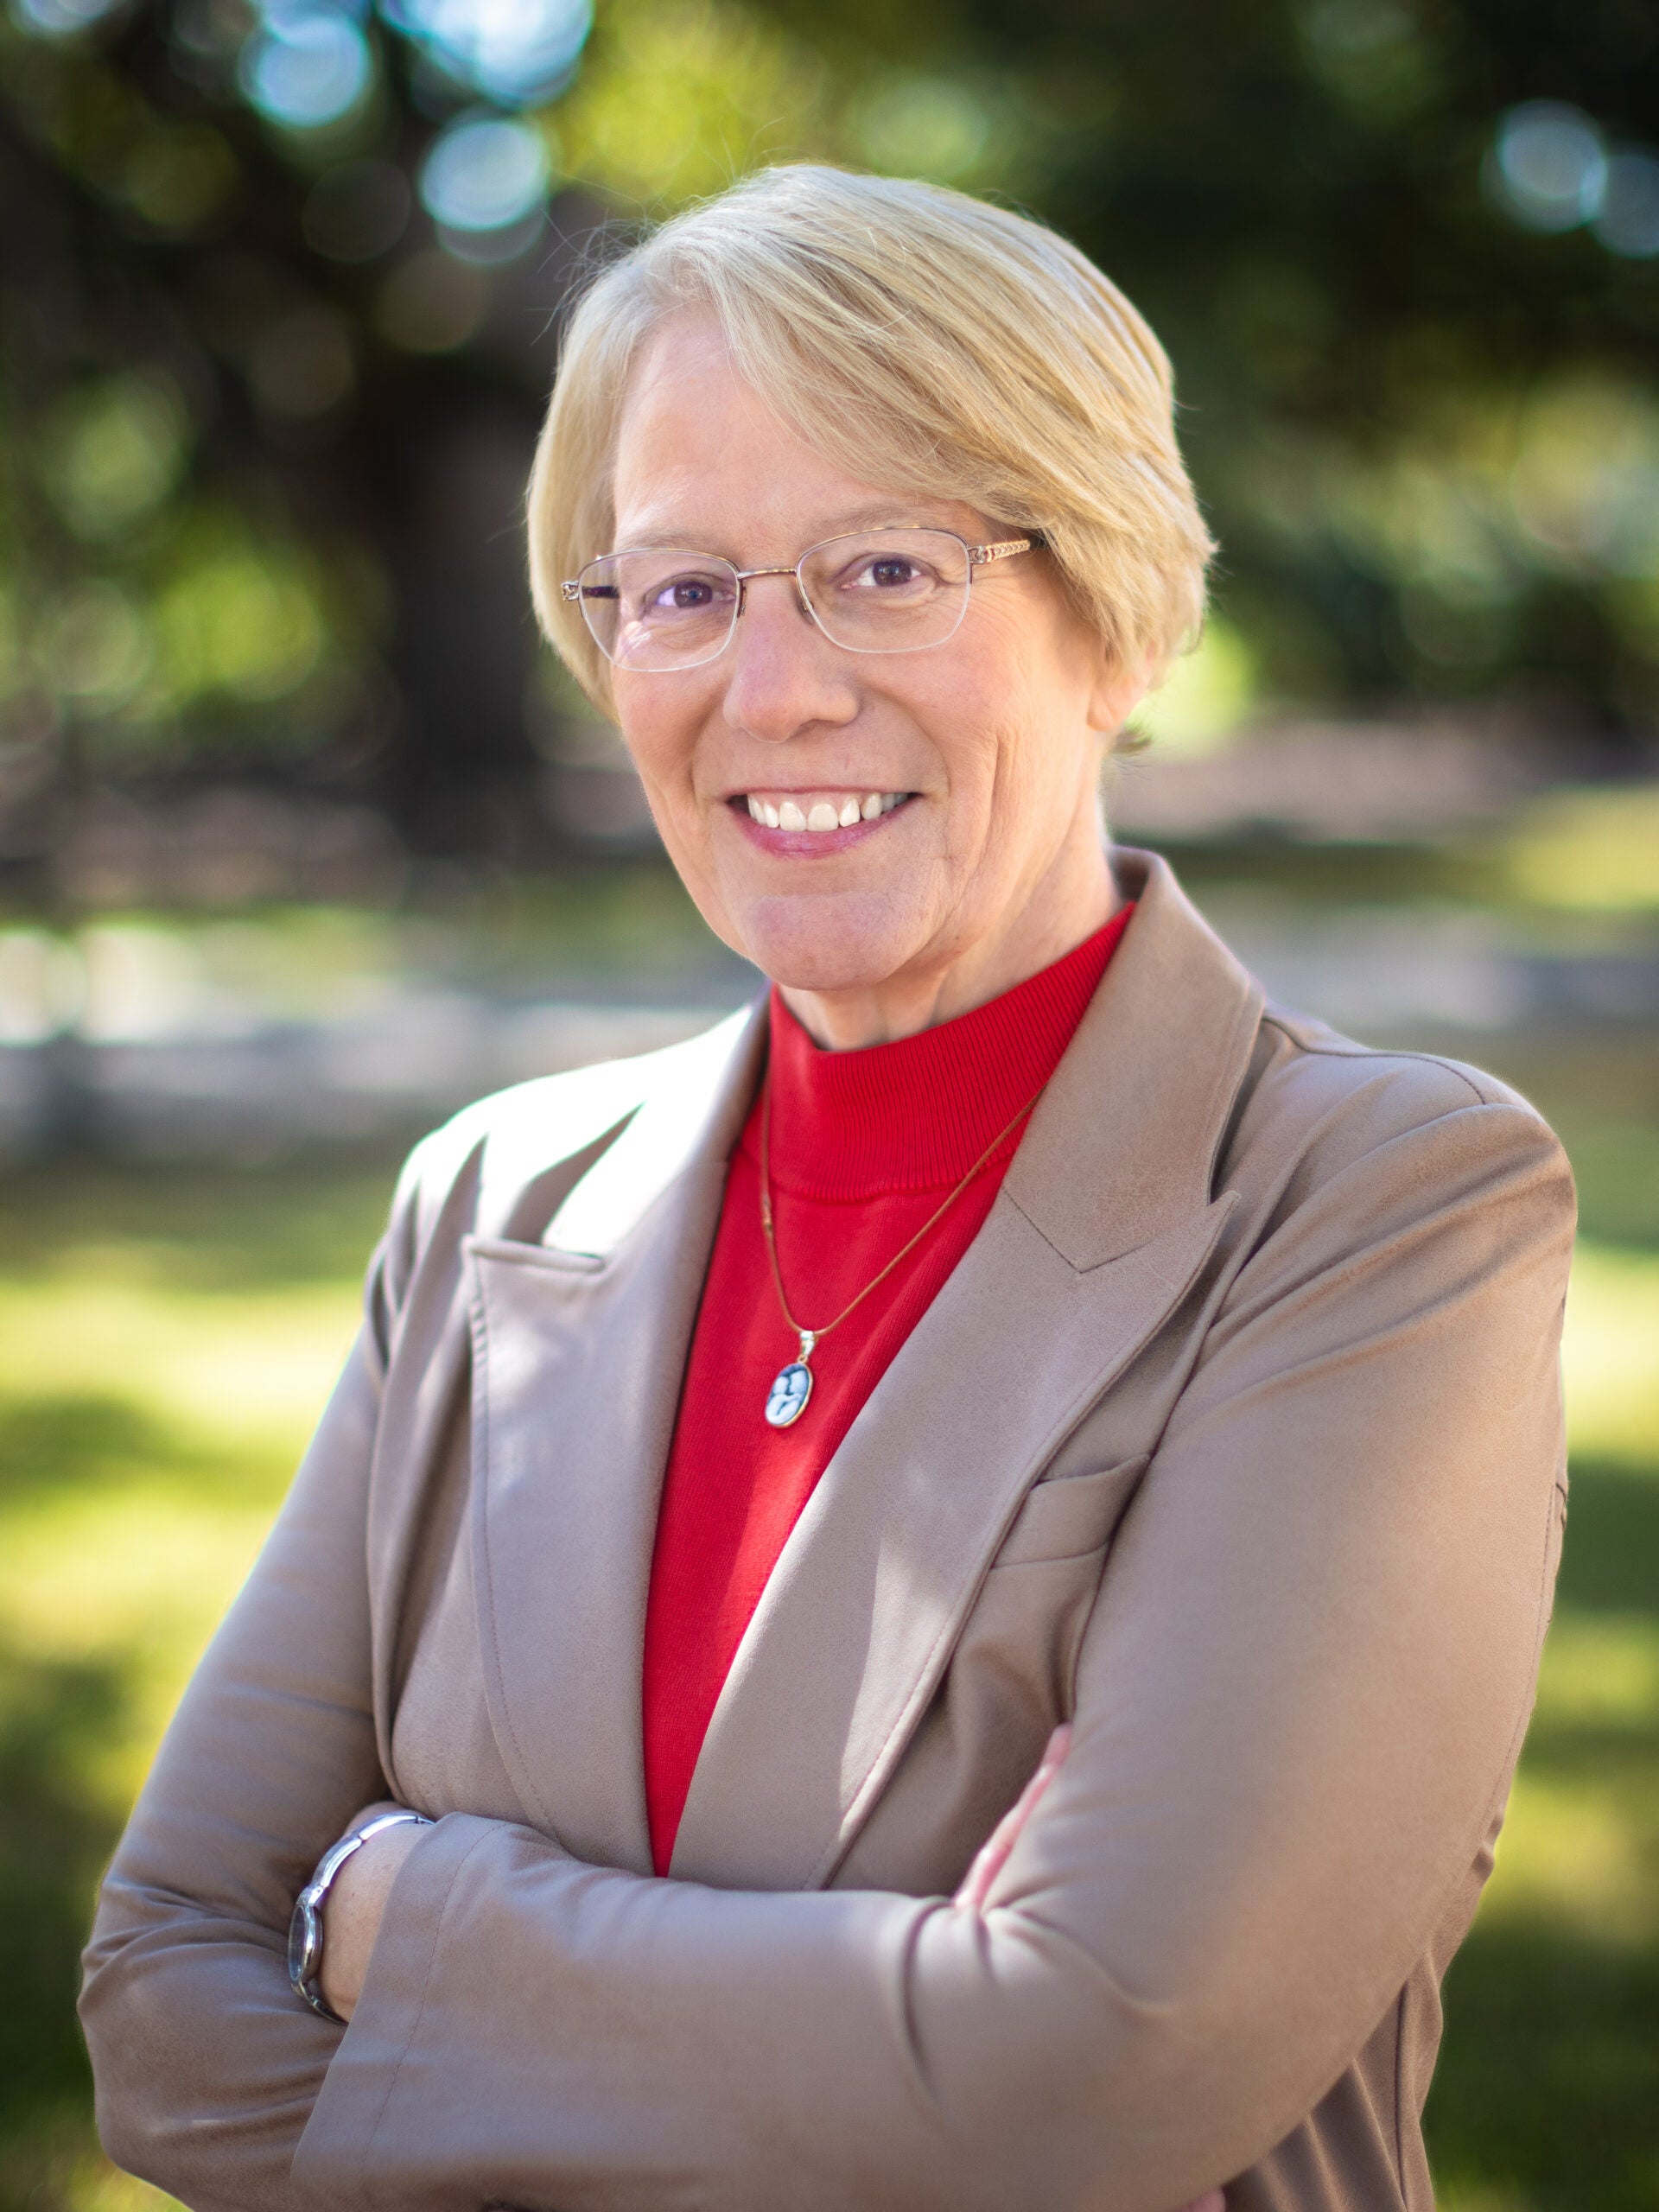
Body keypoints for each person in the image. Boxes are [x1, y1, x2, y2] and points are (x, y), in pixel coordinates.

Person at [79, 166, 1574, 2212]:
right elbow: (162, 2002)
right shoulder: (488, 1200)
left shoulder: (1374, 1205)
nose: (771, 690)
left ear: (1113, 615)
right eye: (681, 588)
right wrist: (875, 2040)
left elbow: (1079, 2080)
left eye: (884, 567)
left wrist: (397, 1920)